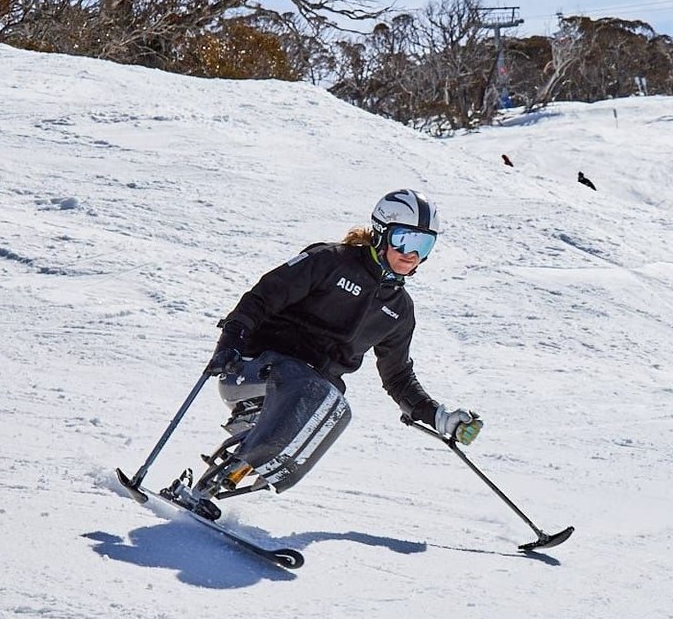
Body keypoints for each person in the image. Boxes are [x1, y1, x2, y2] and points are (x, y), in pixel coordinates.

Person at [159, 188, 481, 519]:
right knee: (315, 391)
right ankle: (205, 488)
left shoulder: (398, 310)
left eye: (423, 245)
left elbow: (397, 376)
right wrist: (230, 341)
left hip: (311, 396)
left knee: (337, 409)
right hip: (251, 370)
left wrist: (438, 416)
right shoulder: (330, 261)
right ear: (382, 233)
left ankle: (230, 477)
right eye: (404, 240)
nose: (412, 254)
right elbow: (263, 297)